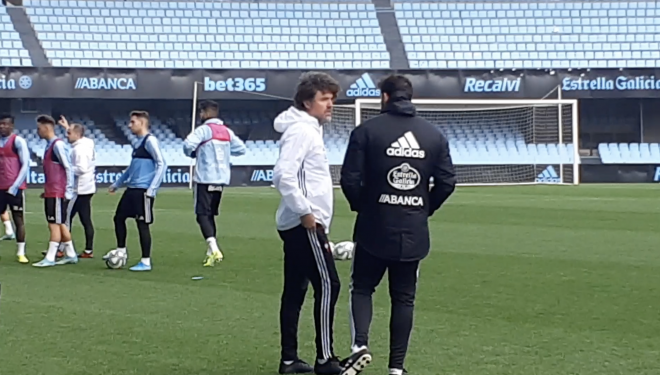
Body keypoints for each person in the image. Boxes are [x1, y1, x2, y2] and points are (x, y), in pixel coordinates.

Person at [339, 75, 456, 375]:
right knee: (404, 298)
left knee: (362, 287)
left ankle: (359, 346)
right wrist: (424, 208)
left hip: (373, 228)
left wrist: (363, 207)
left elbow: (349, 179)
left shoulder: (366, 131)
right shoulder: (433, 135)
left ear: (385, 97)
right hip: (413, 231)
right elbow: (446, 182)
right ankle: (396, 369)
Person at [272, 72, 342, 375]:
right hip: (305, 225)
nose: (330, 105)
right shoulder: (303, 131)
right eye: (324, 99)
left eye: (331, 99)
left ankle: (289, 359)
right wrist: (306, 213)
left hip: (299, 222)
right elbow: (283, 174)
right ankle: (325, 358)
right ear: (306, 101)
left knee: (296, 289)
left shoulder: (305, 129)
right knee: (329, 285)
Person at [183, 100, 246, 267]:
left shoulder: (204, 130)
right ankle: (211, 252)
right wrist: (225, 152)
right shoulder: (226, 131)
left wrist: (192, 153)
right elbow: (241, 149)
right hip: (221, 179)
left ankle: (214, 246)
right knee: (210, 214)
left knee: (201, 214)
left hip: (205, 178)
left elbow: (188, 144)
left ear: (204, 113)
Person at [105, 110, 166, 272]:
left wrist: (151, 189)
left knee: (142, 225)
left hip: (143, 191)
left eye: (133, 122)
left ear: (142, 123)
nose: (129, 125)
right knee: (118, 218)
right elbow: (132, 167)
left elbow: (162, 164)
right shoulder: (138, 142)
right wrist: (117, 183)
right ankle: (121, 251)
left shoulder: (150, 141)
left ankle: (145, 261)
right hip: (132, 189)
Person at [32, 114, 78, 267]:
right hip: (52, 190)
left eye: (39, 128)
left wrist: (68, 190)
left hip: (57, 191)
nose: (38, 132)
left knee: (54, 223)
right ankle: (71, 254)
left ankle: (50, 257)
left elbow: (68, 168)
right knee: (61, 223)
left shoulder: (57, 145)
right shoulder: (50, 145)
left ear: (46, 128)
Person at [58, 116, 96, 258]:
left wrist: (66, 168)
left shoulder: (79, 150)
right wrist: (67, 127)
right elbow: (76, 132)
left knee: (65, 218)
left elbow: (81, 168)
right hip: (87, 188)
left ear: (77, 135)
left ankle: (61, 248)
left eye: (69, 133)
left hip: (78, 189)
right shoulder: (87, 143)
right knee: (85, 218)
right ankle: (88, 250)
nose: (67, 135)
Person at [0, 114, 29, 263]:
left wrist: (15, 185)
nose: (2, 127)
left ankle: (21, 252)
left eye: (5, 124)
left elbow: (25, 164)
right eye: (1, 124)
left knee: (18, 219)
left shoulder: (18, 141)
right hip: (0, 186)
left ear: (11, 126)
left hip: (14, 187)